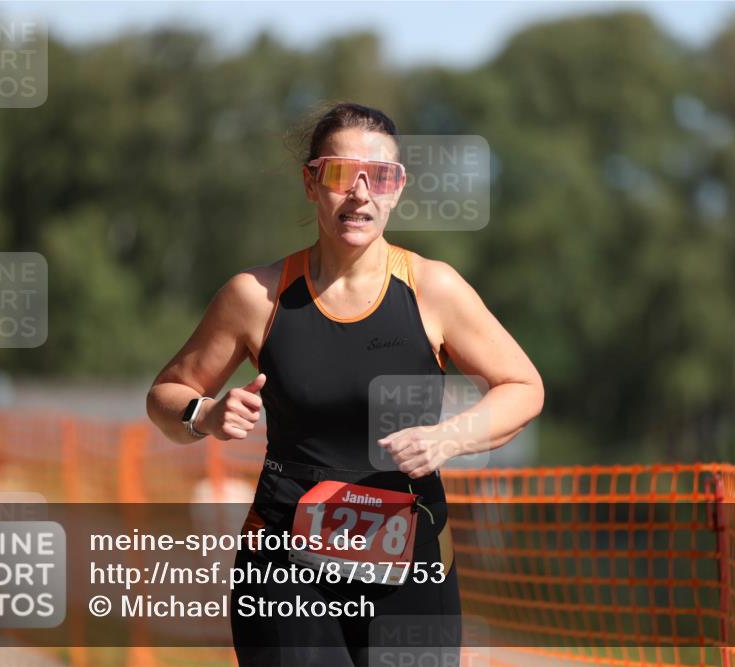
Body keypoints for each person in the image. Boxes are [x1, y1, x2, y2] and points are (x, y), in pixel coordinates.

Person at [146, 102, 543, 666]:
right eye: (338, 173)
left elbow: (523, 387)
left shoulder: (434, 289)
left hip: (410, 561)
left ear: (398, 187)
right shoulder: (255, 296)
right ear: (311, 183)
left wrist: (451, 437)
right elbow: (166, 394)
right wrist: (203, 415)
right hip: (285, 564)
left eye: (378, 176)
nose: (359, 193)